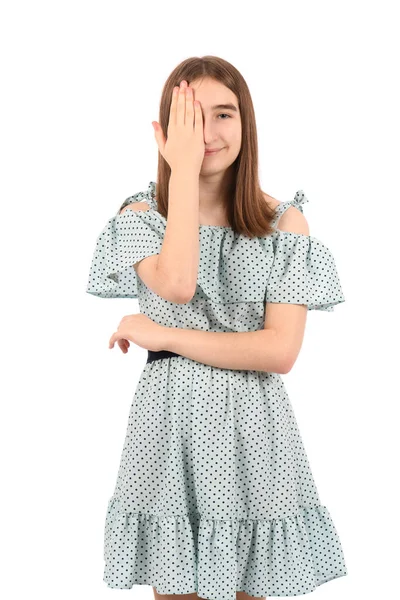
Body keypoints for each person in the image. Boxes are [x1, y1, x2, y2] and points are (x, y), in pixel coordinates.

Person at [86, 56, 348, 600]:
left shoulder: (284, 223)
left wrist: (168, 337)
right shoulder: (141, 216)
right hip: (169, 431)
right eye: (191, 117)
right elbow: (178, 284)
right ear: (165, 132)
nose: (208, 133)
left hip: (257, 432)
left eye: (224, 114)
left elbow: (279, 351)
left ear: (246, 124)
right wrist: (180, 174)